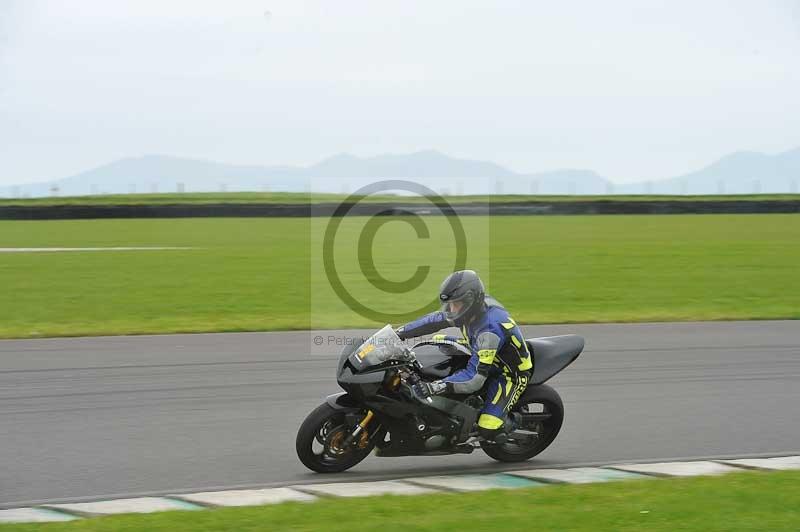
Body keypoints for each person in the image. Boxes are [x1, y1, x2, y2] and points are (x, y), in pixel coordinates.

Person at [395, 270, 533, 442]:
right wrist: (397, 333)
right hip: (478, 348)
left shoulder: (489, 332)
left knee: (488, 428)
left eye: (456, 304)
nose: (451, 310)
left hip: (507, 373)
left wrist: (435, 387)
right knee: (435, 341)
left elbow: (474, 379)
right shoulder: (472, 309)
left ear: (470, 301)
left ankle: (512, 421)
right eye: (450, 304)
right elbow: (433, 320)